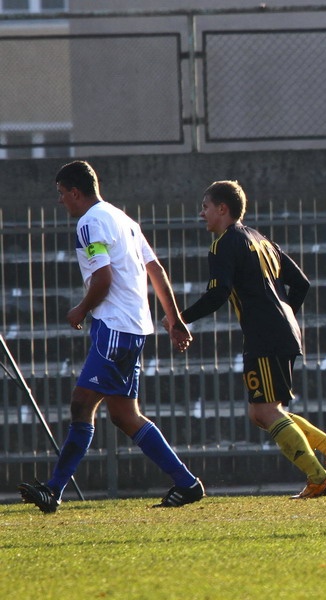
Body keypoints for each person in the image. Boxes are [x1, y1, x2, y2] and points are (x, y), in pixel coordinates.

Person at [18, 160, 203, 513]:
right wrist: (173, 319)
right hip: (133, 326)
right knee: (123, 414)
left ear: (75, 192)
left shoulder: (90, 223)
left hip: (115, 326)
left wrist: (81, 309)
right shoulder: (123, 219)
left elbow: (102, 279)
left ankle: (53, 490)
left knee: (81, 405)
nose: (60, 202)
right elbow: (155, 269)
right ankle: (186, 482)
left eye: (61, 194)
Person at [176, 180, 326, 500]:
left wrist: (180, 319)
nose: (201, 214)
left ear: (222, 209)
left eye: (205, 207)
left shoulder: (225, 244)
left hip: (265, 333)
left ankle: (318, 476)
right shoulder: (260, 240)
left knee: (267, 411)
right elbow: (301, 284)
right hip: (280, 330)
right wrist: (285, 315)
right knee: (261, 413)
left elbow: (218, 293)